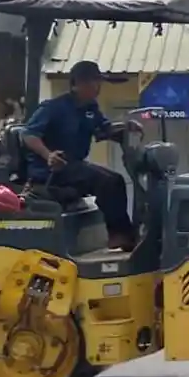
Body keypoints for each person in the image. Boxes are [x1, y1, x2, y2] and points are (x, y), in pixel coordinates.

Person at [21, 60, 136, 250]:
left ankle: (124, 234)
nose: (98, 87)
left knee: (115, 179)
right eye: (93, 82)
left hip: (73, 168)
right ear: (77, 84)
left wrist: (127, 126)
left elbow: (103, 130)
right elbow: (28, 134)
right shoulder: (53, 107)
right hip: (52, 172)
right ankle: (120, 236)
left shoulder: (91, 108)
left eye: (99, 82)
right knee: (108, 182)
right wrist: (48, 155)